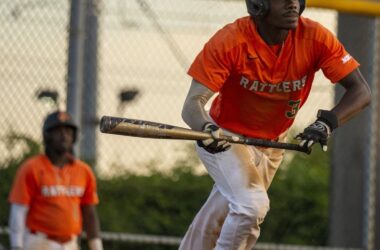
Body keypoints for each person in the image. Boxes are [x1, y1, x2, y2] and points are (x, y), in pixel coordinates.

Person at [179, 0, 371, 249]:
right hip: (224, 138)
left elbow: (361, 91)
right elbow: (192, 104)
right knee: (250, 206)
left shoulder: (315, 37)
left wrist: (326, 123)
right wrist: (206, 129)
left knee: (222, 213)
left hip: (273, 142)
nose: (292, 3)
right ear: (258, 5)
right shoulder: (231, 39)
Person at [8, 111, 103, 250]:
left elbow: (89, 213)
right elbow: (19, 210)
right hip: (39, 242)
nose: (64, 135)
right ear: (47, 135)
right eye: (58, 131)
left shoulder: (84, 171)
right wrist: (16, 245)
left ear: (74, 137)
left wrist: (96, 247)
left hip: (70, 243)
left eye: (68, 131)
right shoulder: (32, 168)